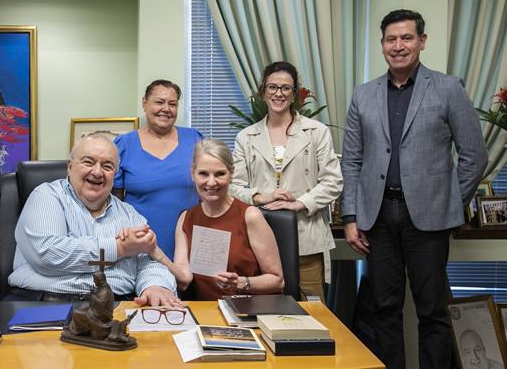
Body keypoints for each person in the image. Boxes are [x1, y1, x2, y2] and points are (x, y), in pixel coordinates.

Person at [341, 9, 488, 369]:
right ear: (382, 46)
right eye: (391, 39)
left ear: (422, 42)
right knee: (384, 311)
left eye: (407, 38)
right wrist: (351, 216)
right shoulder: (363, 95)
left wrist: (451, 202)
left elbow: (475, 155)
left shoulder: (448, 88)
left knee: (433, 312)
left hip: (430, 220)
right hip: (378, 218)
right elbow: (352, 160)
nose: (398, 46)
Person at [7, 132, 182, 308]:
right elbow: (48, 254)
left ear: (115, 174)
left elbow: (148, 260)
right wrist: (119, 248)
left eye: (107, 166)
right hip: (45, 302)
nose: (97, 172)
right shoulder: (47, 196)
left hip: (117, 304)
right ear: (70, 166)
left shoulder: (130, 214)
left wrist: (156, 285)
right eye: (88, 162)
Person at [230, 61, 342, 300]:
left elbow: (333, 181)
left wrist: (300, 203)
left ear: (294, 94)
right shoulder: (246, 137)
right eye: (272, 87)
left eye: (285, 88)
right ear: (262, 92)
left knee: (313, 314)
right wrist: (260, 197)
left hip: (307, 239)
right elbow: (232, 186)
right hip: (259, 241)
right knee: (264, 311)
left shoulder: (316, 132)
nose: (278, 94)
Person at [147, 138, 284, 300]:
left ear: (231, 174)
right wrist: (155, 253)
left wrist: (241, 283)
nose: (211, 182)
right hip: (206, 312)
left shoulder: (250, 216)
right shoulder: (186, 218)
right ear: (193, 174)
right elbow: (184, 280)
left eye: (219, 174)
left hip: (248, 309)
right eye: (203, 174)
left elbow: (277, 281)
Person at [113, 80, 203, 258]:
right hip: (141, 244)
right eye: (159, 102)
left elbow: (210, 190)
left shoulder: (195, 139)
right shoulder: (123, 145)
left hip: (191, 241)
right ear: (144, 103)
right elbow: (113, 202)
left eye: (172, 104)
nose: (166, 109)